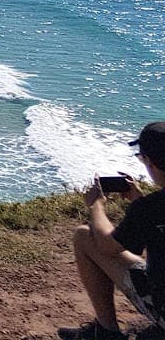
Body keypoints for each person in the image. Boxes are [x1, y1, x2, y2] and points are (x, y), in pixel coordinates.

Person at [60, 122, 165, 340]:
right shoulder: (149, 209)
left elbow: (107, 245)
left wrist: (96, 205)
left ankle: (106, 331)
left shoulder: (150, 208)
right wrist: (138, 201)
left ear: (149, 161)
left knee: (84, 236)